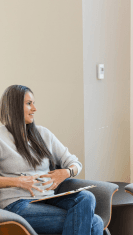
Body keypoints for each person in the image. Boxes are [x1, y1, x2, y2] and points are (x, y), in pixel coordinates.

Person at [0, 85, 103, 235]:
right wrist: (18, 182)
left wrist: (66, 172)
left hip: (47, 199)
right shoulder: (1, 138)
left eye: (34, 103)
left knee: (86, 197)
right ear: (14, 105)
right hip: (17, 204)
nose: (34, 109)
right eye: (29, 103)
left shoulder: (43, 134)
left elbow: (75, 163)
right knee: (95, 222)